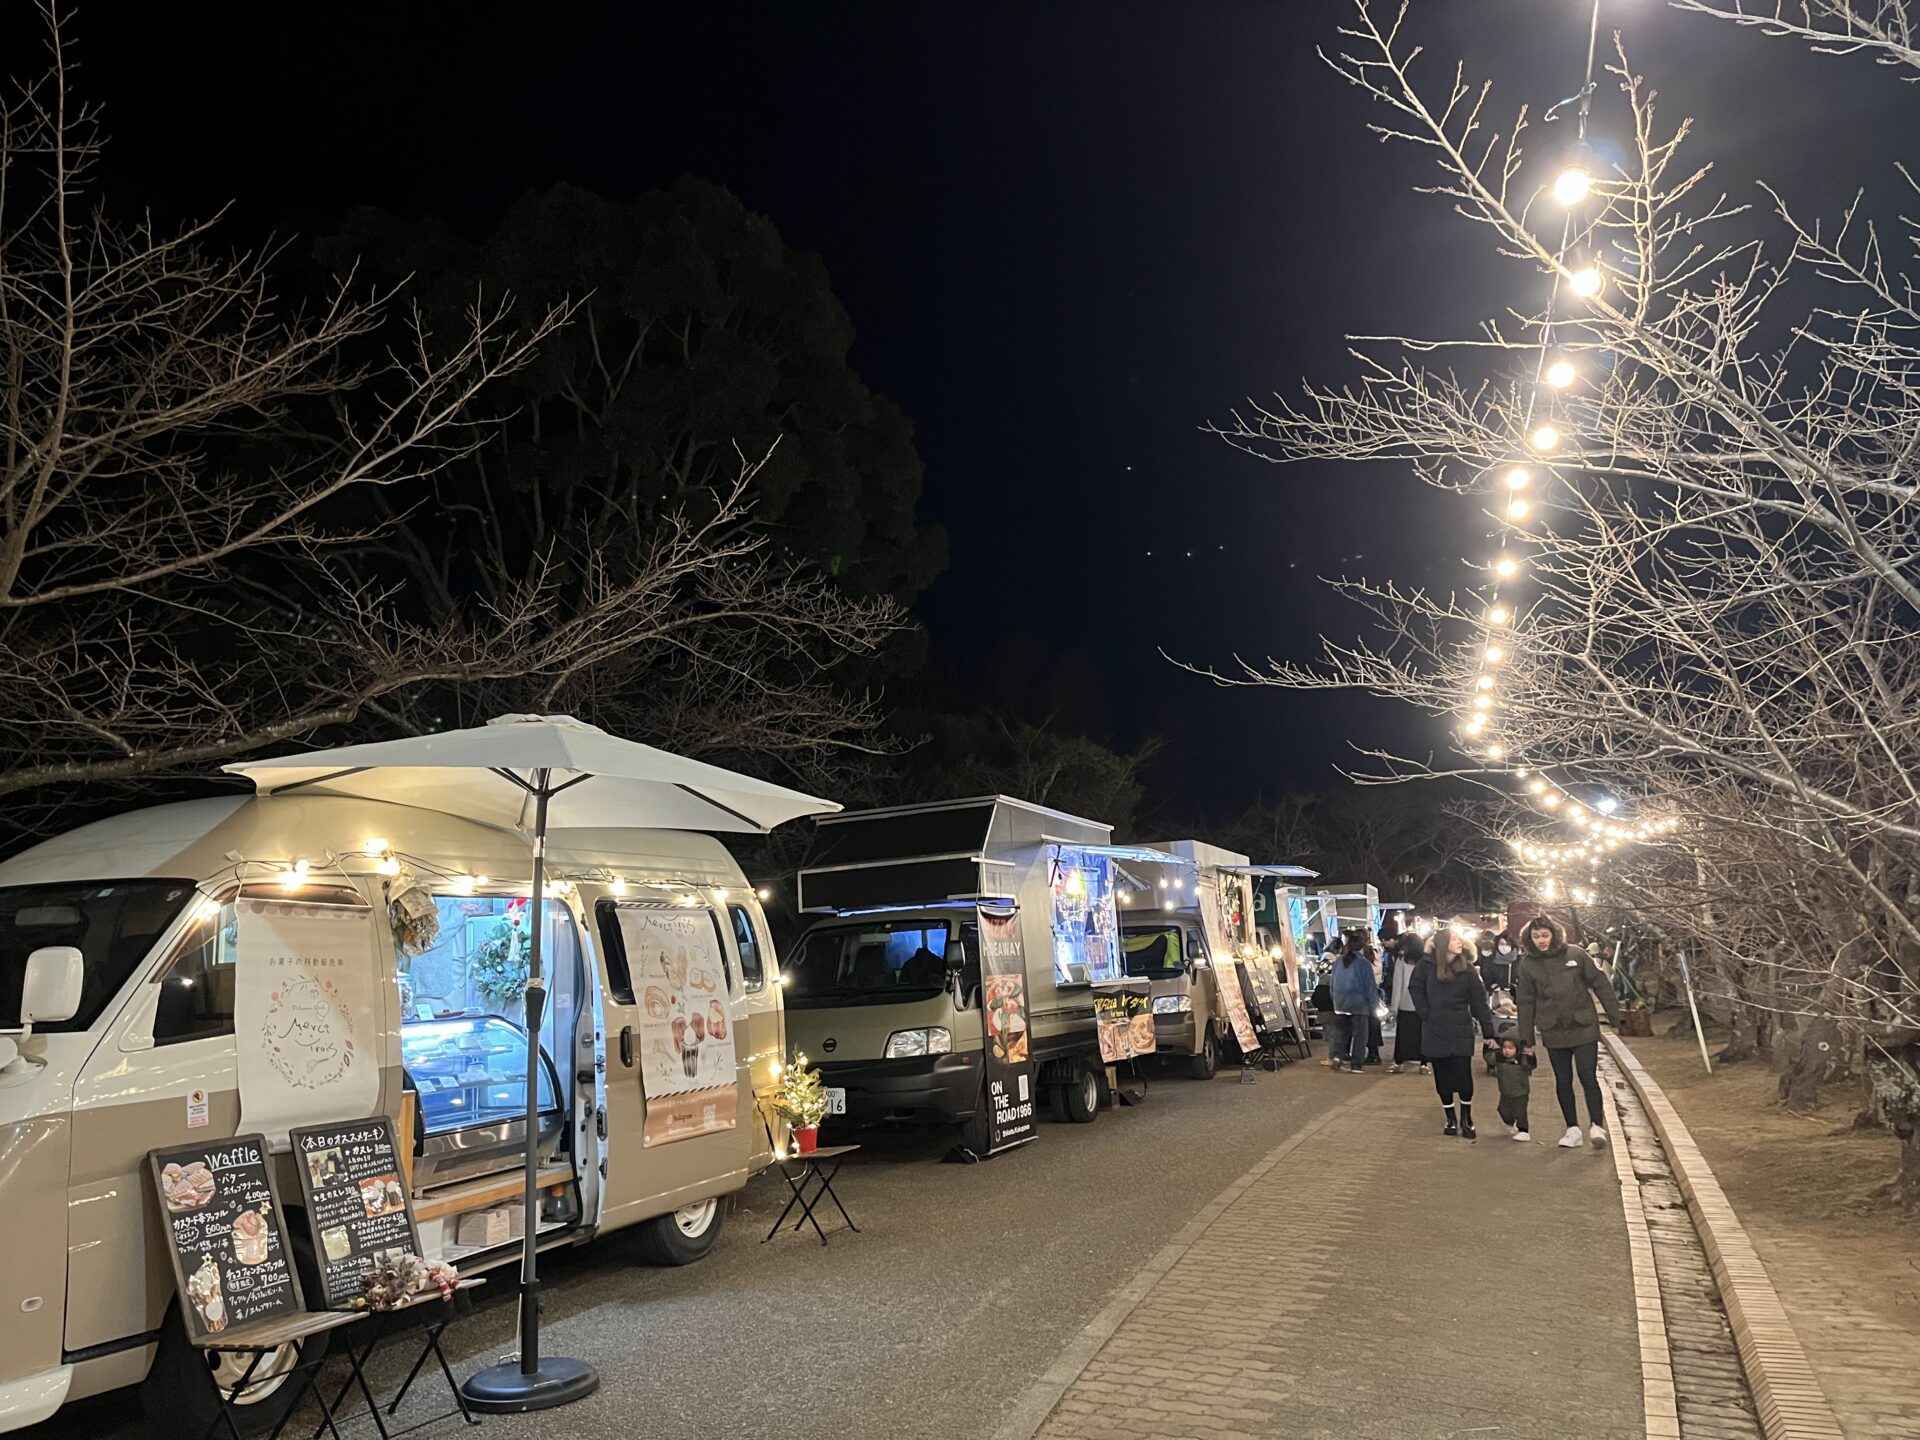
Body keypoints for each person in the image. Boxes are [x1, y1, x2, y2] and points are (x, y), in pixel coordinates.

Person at [1515, 913, 1624, 1148]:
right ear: (1529, 939)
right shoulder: (1527, 965)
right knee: (1563, 1080)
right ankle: (1572, 1128)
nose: (1541, 940)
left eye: (1545, 935)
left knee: (1587, 1075)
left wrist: (1615, 1016)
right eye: (1536, 936)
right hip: (1553, 1028)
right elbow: (1525, 1002)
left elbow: (1599, 983)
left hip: (1583, 1025)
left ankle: (1596, 1125)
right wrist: (1526, 1039)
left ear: (1554, 934)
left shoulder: (1575, 954)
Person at [1412, 927, 1498, 1137]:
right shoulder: (1425, 966)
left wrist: (1489, 1032)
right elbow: (1415, 988)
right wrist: (1425, 1012)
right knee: (1442, 1076)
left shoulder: (1467, 969)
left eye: (1459, 939)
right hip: (1434, 1028)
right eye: (1453, 939)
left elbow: (1479, 1002)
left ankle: (1467, 1118)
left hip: (1460, 1028)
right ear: (1442, 944)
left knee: (1463, 1075)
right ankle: (1450, 1117)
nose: (1459, 942)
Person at [1328, 928, 1380, 1074]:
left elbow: (1332, 984)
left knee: (1341, 1032)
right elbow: (1370, 987)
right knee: (1360, 1035)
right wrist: (1374, 1007)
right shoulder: (1364, 963)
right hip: (1359, 1003)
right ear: (1362, 947)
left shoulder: (1338, 961)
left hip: (1340, 1002)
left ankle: (1337, 1057)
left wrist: (1335, 1000)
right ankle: (1356, 1064)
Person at [1384, 927, 1429, 1074]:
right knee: (1422, 1035)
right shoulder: (1426, 961)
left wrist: (1393, 1008)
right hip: (1422, 1004)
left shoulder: (1402, 960)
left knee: (1403, 1035)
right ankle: (1424, 1064)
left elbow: (1397, 985)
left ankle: (1399, 1062)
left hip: (1405, 1003)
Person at [1489, 1036, 1537, 1141]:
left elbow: (1531, 1065)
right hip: (1505, 1092)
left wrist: (1531, 1056)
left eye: (1510, 1048)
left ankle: (1524, 1130)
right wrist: (1491, 1048)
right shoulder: (1499, 1059)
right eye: (1504, 1047)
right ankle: (1511, 1123)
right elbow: (1490, 1059)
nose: (1507, 1050)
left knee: (1520, 1112)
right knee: (1503, 1110)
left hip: (1520, 1092)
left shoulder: (1522, 1060)